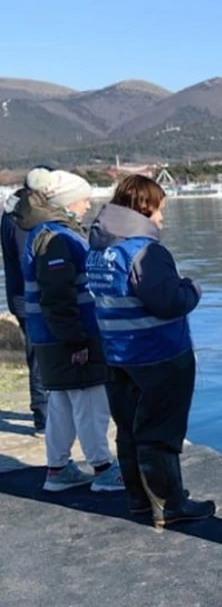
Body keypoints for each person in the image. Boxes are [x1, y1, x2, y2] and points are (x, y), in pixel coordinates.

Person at [86, 174, 215, 528]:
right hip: (158, 355)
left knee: (128, 431)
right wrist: (193, 288)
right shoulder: (145, 251)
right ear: (144, 208)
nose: (162, 219)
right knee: (160, 432)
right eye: (160, 210)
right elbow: (168, 301)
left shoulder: (98, 250)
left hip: (117, 354)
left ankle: (139, 501)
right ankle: (169, 505)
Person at [14, 169, 123, 493]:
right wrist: (75, 339)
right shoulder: (58, 238)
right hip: (70, 336)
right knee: (90, 400)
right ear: (66, 202)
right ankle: (102, 468)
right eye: (84, 199)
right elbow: (58, 294)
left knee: (61, 403)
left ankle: (58, 467)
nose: (88, 205)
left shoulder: (44, 233)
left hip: (50, 337)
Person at [2, 166, 53, 434]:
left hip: (21, 297)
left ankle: (46, 413)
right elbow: (28, 261)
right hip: (30, 299)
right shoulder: (22, 218)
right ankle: (43, 418)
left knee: (39, 355)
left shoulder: (12, 213)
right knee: (39, 356)